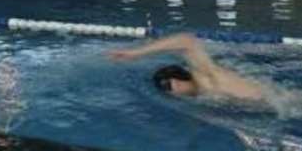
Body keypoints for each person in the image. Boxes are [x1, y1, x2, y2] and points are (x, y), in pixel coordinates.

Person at [108, 33, 266, 102]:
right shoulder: (201, 93)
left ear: (175, 82)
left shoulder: (208, 79)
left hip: (282, 105)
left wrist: (136, 53)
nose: (170, 92)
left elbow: (186, 41)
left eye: (167, 87)